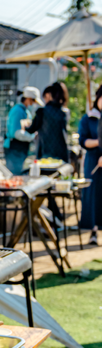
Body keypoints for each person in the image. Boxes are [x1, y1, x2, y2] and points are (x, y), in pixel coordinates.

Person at [78, 88, 102, 243]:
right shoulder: (88, 118)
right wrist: (99, 143)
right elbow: (83, 140)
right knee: (92, 195)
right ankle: (93, 231)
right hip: (93, 160)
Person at [3, 87, 43, 175]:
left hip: (21, 148)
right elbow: (16, 133)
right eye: (33, 101)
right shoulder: (17, 111)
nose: (33, 104)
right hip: (14, 148)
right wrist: (32, 137)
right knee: (14, 174)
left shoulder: (25, 111)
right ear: (28, 99)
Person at [29, 81, 69, 163]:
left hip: (45, 153)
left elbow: (31, 129)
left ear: (48, 95)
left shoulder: (42, 112)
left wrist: (25, 125)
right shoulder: (64, 113)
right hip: (62, 154)